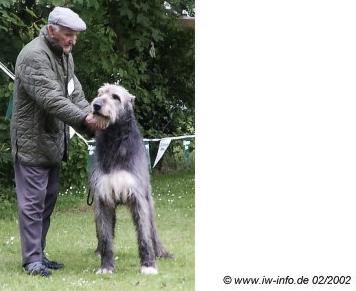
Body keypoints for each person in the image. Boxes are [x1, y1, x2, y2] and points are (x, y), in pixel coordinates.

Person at [10, 7, 104, 277]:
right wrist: (85, 121)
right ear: (51, 30)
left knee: (47, 201)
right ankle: (31, 260)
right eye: (67, 34)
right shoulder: (33, 55)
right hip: (32, 142)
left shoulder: (64, 56)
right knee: (32, 204)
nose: (72, 40)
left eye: (75, 35)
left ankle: (38, 253)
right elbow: (51, 99)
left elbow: (75, 94)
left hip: (52, 141)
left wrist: (93, 115)